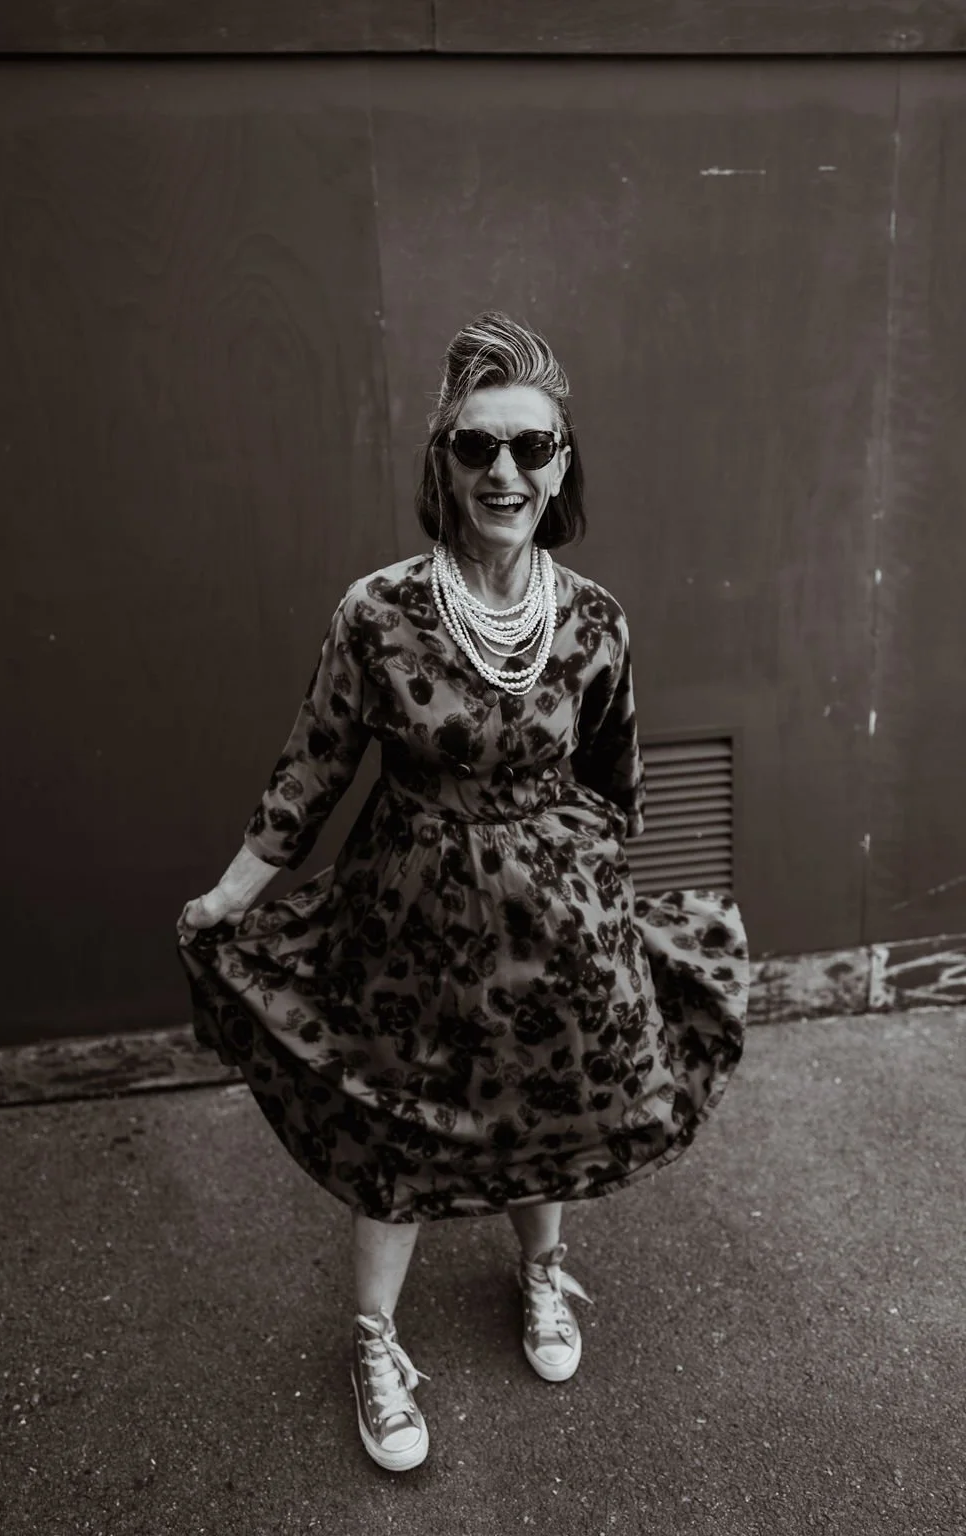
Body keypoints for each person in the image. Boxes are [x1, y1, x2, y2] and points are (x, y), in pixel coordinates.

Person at [176, 310, 749, 1474]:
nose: (504, 470)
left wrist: (604, 909)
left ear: (561, 464)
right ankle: (374, 1343)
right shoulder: (377, 613)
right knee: (398, 1122)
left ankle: (541, 1277)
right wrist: (232, 895)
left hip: (559, 919)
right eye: (477, 446)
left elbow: (614, 774)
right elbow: (313, 768)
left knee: (551, 1103)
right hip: (410, 918)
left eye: (530, 447)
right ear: (441, 463)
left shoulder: (593, 620)